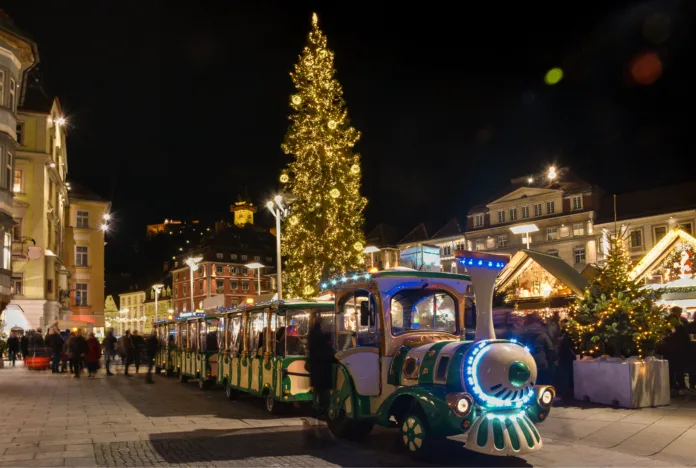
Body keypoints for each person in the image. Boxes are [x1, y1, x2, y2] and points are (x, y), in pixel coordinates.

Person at [663, 306, 691, 395]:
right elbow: (682, 336)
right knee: (679, 368)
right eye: (679, 312)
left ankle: (672, 386)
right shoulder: (676, 323)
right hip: (677, 349)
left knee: (671, 369)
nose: (680, 314)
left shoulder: (667, 323)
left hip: (670, 350)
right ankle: (680, 387)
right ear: (676, 312)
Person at [308, 318, 333, 414]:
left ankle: (318, 407)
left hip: (317, 368)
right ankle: (322, 408)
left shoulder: (314, 334)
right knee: (323, 391)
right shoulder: (319, 337)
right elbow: (323, 352)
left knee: (319, 390)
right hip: (322, 368)